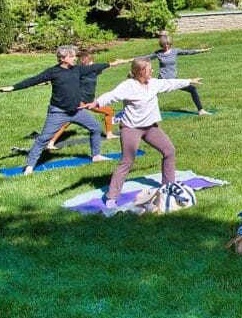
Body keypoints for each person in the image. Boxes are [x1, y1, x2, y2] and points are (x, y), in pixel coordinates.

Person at [86, 59, 201, 208]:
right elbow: (112, 95)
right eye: (149, 69)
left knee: (169, 151)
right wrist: (97, 103)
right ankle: (111, 197)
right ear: (140, 72)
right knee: (127, 160)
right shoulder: (128, 86)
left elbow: (170, 83)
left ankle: (167, 186)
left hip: (151, 127)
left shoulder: (153, 83)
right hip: (131, 128)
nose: (152, 71)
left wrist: (189, 81)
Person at [0, 45, 126, 175]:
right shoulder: (53, 72)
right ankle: (30, 166)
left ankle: (96, 156)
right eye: (72, 56)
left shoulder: (77, 70)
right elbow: (33, 80)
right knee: (43, 139)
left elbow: (94, 67)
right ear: (63, 58)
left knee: (96, 128)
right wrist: (13, 87)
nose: (75, 58)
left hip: (77, 111)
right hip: (58, 112)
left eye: (74, 56)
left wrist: (112, 64)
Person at [46, 50, 124, 149]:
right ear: (85, 63)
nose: (94, 64)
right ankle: (50, 142)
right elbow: (63, 77)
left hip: (90, 101)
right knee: (67, 122)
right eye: (91, 62)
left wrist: (117, 63)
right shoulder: (79, 72)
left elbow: (105, 67)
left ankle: (109, 134)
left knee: (108, 111)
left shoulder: (93, 72)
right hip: (80, 101)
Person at [137, 34, 212, 115]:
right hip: (163, 80)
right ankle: (142, 111)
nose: (166, 45)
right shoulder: (158, 53)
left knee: (192, 89)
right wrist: (127, 60)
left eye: (167, 44)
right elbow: (144, 58)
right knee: (151, 94)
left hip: (174, 80)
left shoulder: (175, 51)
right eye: (164, 44)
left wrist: (201, 50)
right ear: (161, 44)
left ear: (170, 43)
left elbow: (187, 52)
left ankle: (201, 110)